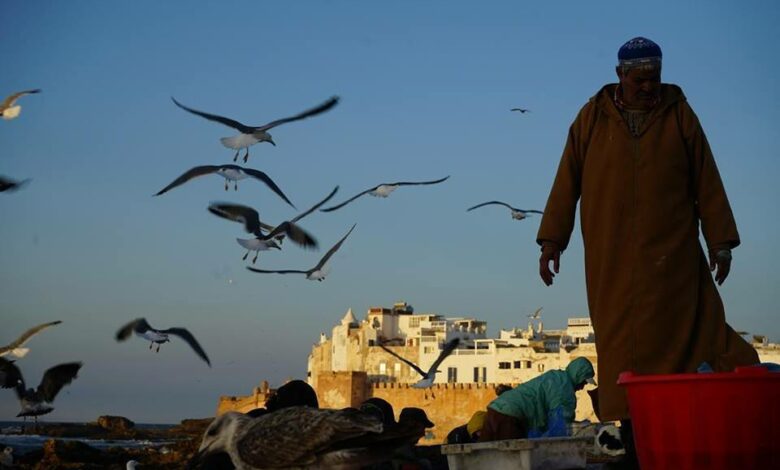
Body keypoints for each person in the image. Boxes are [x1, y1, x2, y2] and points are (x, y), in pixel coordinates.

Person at [537, 37, 759, 425]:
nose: (647, 85)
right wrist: (552, 241)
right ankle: (626, 426)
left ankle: (683, 421)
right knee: (620, 343)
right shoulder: (591, 119)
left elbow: (707, 179)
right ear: (620, 75)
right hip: (612, 257)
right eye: (639, 78)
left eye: (653, 77)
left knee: (694, 333)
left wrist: (720, 243)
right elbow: (565, 181)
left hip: (672, 255)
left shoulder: (679, 116)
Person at [479, 357, 595, 441]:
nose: (582, 386)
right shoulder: (565, 388)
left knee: (483, 458)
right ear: (578, 376)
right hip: (511, 416)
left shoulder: (555, 376)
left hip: (494, 410)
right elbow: (562, 420)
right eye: (584, 382)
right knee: (511, 459)